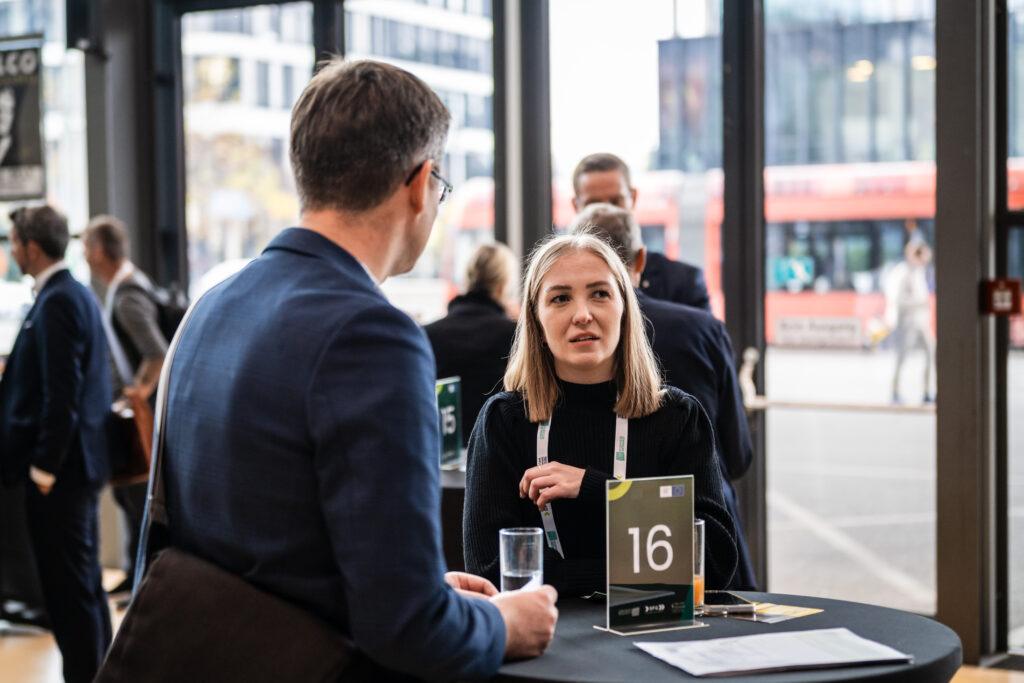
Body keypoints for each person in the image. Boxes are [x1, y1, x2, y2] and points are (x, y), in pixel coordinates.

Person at [155, 59, 557, 679]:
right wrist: (506, 623)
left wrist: (420, 585)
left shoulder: (215, 305)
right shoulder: (372, 337)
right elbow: (408, 630)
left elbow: (264, 546)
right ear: (420, 183)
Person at [463, 231, 738, 596]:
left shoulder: (677, 417)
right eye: (560, 298)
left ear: (624, 310)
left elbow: (713, 563)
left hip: (656, 627)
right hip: (546, 629)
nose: (582, 315)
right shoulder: (504, 421)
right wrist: (635, 575)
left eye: (599, 294)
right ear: (537, 322)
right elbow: (492, 571)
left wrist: (599, 490)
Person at [569, 203, 757, 590]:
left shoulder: (569, 353)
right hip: (703, 545)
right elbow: (737, 456)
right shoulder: (703, 330)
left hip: (598, 560)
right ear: (641, 259)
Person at [0, 206, 112, 683]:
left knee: (69, 594)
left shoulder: (60, 300)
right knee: (83, 587)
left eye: (13, 242)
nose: (11, 251)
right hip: (75, 469)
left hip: (61, 476)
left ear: (31, 246)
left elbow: (61, 394)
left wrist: (43, 470)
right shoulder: (72, 294)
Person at [83, 215, 167, 595]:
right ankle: (135, 576)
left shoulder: (128, 295)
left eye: (86, 247)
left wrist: (136, 393)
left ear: (100, 251)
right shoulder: (128, 286)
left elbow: (157, 352)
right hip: (135, 416)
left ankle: (144, 584)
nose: (85, 256)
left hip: (138, 417)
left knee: (136, 494)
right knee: (130, 493)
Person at [571, 152, 710, 311]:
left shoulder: (683, 283)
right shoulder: (553, 280)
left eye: (615, 201)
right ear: (576, 206)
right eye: (594, 204)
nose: (606, 211)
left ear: (633, 198)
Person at [424, 242, 518, 432]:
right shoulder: (515, 336)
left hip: (441, 446)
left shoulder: (427, 334)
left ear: (467, 279)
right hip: (498, 444)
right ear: (504, 286)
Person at [886, 238, 936, 404]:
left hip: (921, 322)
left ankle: (926, 391)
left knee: (931, 352)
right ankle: (895, 391)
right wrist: (919, 303)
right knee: (902, 357)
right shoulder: (902, 272)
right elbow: (897, 300)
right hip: (907, 322)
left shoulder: (919, 272)